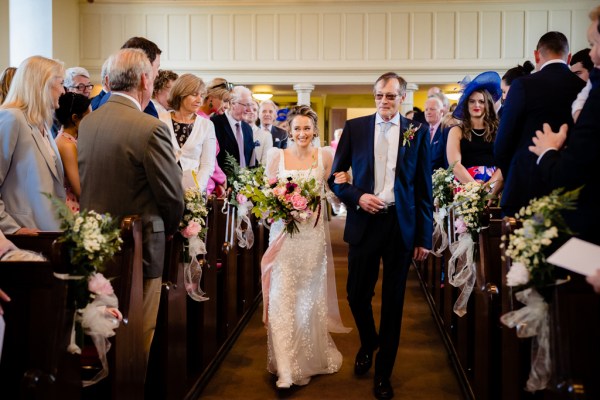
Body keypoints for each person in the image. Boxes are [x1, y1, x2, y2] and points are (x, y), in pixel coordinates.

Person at [328, 72, 432, 400]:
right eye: (379, 96)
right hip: (364, 220)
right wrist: (357, 195)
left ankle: (383, 373)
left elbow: (422, 188)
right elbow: (335, 178)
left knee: (393, 302)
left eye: (390, 96)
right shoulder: (356, 129)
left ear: (402, 98)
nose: (384, 102)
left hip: (400, 224)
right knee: (357, 294)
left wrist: (423, 238)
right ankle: (369, 340)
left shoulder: (417, 131)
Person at [78, 48, 184, 364]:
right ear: (144, 80)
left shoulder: (87, 124)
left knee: (105, 328)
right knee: (138, 335)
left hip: (95, 244)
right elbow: (171, 196)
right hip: (142, 247)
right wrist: (171, 228)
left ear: (107, 81)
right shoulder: (150, 128)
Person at [262, 105, 350, 389]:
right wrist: (279, 207)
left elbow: (338, 185)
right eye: (297, 128)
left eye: (307, 128)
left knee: (305, 302)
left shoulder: (324, 155)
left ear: (315, 130)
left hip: (311, 239)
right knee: (280, 299)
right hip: (283, 236)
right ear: (289, 130)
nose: (302, 133)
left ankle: (305, 359)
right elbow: (265, 198)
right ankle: (286, 368)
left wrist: (347, 180)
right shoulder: (277, 156)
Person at [495, 31, 586, 217]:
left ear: (537, 55)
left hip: (524, 189)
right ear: (568, 57)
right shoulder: (583, 87)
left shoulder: (522, 85)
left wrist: (512, 172)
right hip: (569, 192)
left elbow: (502, 143)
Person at [0, 56, 66, 234]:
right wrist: (12, 229)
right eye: (60, 83)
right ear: (42, 85)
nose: (63, 91)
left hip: (49, 231)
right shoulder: (12, 118)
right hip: (24, 233)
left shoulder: (42, 123)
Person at [447, 71, 504, 197]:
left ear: (488, 104)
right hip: (465, 187)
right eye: (472, 101)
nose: (476, 105)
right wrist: (475, 188)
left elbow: (504, 163)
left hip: (495, 187)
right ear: (466, 105)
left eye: (481, 101)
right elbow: (455, 165)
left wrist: (489, 188)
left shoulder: (499, 129)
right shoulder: (456, 131)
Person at [158, 73, 216, 192]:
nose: (199, 100)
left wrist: (195, 191)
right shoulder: (161, 120)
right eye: (194, 95)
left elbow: (207, 165)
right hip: (164, 188)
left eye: (202, 95)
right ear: (181, 94)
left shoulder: (206, 125)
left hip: (194, 191)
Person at [55, 92, 91, 212]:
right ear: (75, 118)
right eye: (88, 118)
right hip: (73, 206)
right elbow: (79, 189)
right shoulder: (68, 146)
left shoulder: (64, 138)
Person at [198, 78, 232, 197]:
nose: (227, 106)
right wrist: (222, 179)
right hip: (199, 185)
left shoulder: (206, 119)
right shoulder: (200, 120)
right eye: (225, 101)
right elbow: (208, 159)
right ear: (211, 97)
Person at [211, 85, 255, 172]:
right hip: (222, 183)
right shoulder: (214, 124)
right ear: (233, 103)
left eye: (251, 105)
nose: (250, 109)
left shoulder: (248, 129)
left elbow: (251, 159)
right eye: (246, 105)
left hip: (245, 183)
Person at [244, 100, 272, 166]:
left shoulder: (266, 135)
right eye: (248, 110)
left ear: (258, 114)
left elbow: (265, 162)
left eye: (254, 110)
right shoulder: (236, 132)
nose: (251, 112)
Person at [424, 96, 448, 171]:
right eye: (426, 109)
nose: (428, 112)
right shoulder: (422, 131)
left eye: (432, 109)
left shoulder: (446, 130)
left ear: (441, 112)